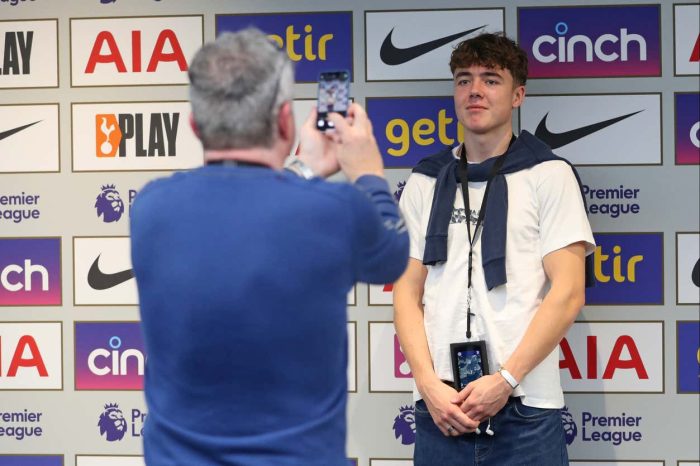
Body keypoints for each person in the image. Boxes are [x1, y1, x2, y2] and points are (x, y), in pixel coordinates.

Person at [130, 28, 409, 466]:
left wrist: (304, 167)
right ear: (284, 121)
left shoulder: (151, 208)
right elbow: (392, 255)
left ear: (194, 125)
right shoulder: (335, 211)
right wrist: (370, 174)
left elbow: (247, 213)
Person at [393, 32, 595, 465]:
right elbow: (406, 294)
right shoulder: (427, 179)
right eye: (464, 80)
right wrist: (427, 386)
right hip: (441, 406)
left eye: (491, 79)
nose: (475, 91)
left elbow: (568, 293)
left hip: (523, 407)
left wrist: (504, 379)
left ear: (518, 94)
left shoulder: (549, 174)